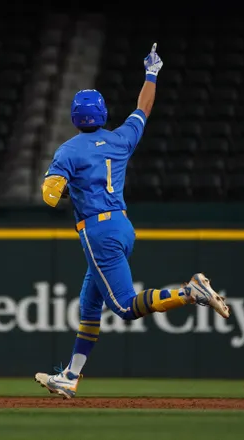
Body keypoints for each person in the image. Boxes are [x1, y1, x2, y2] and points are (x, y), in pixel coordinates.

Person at [34, 43, 230, 399]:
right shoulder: (120, 139)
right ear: (103, 113)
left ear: (75, 117)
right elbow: (143, 107)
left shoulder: (68, 150)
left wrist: (67, 189)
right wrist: (151, 72)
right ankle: (70, 376)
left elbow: (49, 196)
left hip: (97, 230)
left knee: (124, 306)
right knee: (90, 304)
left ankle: (189, 292)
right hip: (122, 226)